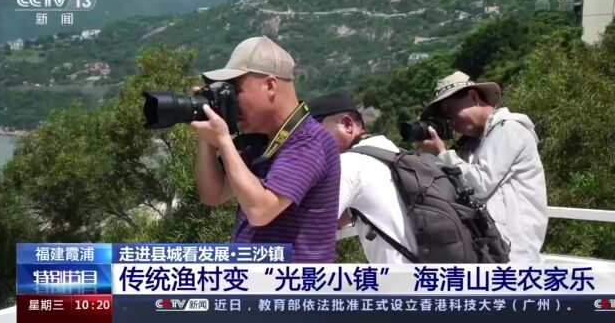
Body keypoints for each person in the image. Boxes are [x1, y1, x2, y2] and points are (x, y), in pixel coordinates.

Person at [189, 36, 341, 263]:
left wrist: (223, 140)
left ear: (270, 85)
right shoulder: (262, 142)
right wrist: (206, 134)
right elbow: (213, 194)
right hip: (257, 286)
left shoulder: (308, 141)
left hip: (293, 290)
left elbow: (260, 211)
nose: (231, 102)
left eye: (235, 90)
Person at [419, 71, 548, 263]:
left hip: (515, 254)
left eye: (451, 112)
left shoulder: (510, 129)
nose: (451, 122)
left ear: (473, 97)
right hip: (490, 250)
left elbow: (479, 185)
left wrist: (441, 154)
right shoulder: (471, 144)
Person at [308, 92, 418, 263]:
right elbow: (343, 217)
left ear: (347, 124)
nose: (309, 145)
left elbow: (312, 226)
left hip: (403, 283)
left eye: (314, 134)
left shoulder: (347, 164)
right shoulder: (391, 151)